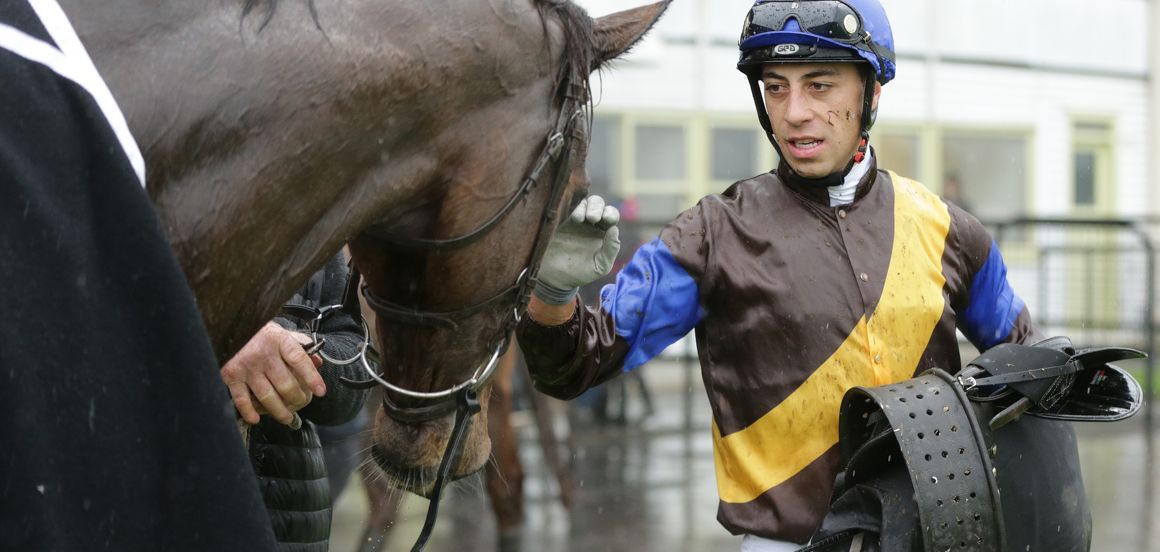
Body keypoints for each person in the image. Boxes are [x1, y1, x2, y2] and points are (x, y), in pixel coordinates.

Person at [516, 1, 1045, 550]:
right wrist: (553, 291)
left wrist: (1063, 371)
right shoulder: (713, 234)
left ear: (872, 94)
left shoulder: (949, 230)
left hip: (939, 538)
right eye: (775, 87)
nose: (792, 112)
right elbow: (572, 367)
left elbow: (1025, 359)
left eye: (819, 86)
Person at [0, 2, 276, 549]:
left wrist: (301, 343)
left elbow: (347, 360)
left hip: (269, 472)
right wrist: (213, 329)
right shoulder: (59, 77)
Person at [221, 252, 372, 552]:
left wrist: (302, 355)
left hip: (287, 519)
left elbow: (352, 381)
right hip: (159, 503)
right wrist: (233, 340)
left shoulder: (308, 217)